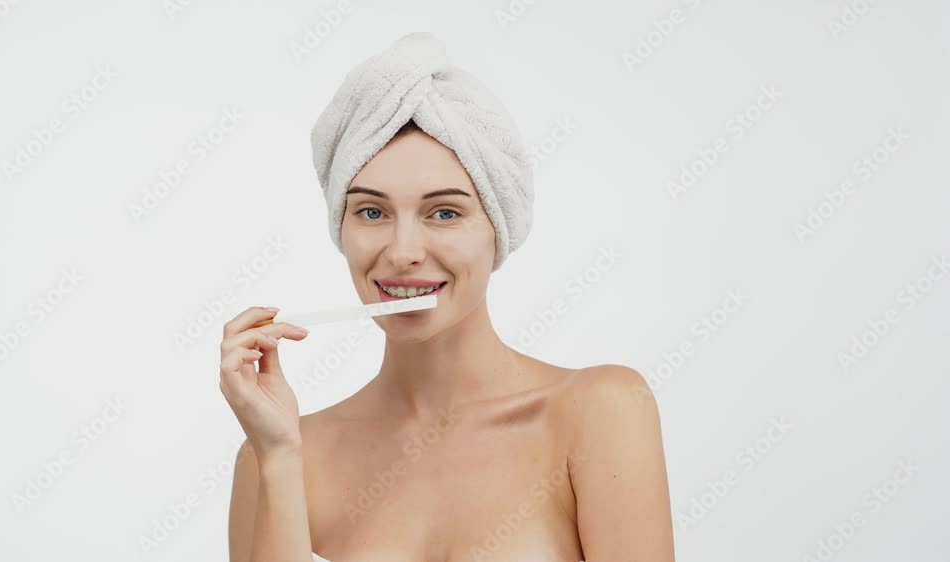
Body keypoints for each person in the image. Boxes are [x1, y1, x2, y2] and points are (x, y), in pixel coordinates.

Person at [221, 33, 675, 562]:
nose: (402, 252)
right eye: (372, 212)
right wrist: (278, 454)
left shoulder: (600, 409)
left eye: (444, 212)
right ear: (340, 228)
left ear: (498, 229)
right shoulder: (273, 454)